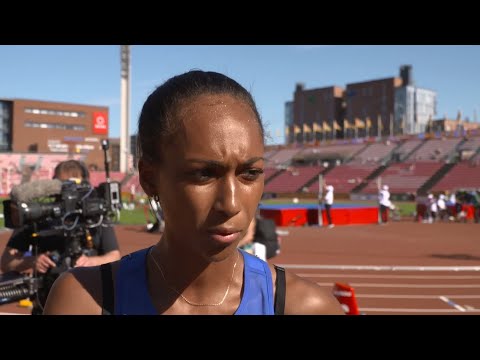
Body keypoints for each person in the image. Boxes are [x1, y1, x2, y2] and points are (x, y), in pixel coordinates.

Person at [43, 70, 344, 315]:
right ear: (149, 178)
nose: (231, 204)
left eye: (250, 173)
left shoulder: (306, 308)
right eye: (203, 174)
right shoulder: (84, 301)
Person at [0, 159, 121, 314]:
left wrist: (92, 262)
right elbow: (5, 262)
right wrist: (31, 261)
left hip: (91, 303)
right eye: (62, 187)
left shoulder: (96, 216)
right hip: (45, 304)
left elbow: (114, 256)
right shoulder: (37, 215)